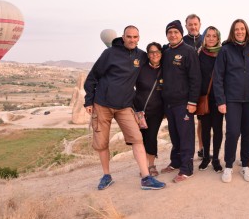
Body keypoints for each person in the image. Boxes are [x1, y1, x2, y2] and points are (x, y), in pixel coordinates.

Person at [83, 26, 166, 190]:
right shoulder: (109, 54)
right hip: (102, 104)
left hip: (125, 106)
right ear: (123, 37)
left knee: (137, 139)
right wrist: (88, 101)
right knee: (102, 142)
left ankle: (146, 178)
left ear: (139, 38)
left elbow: (155, 59)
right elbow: (93, 76)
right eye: (129, 37)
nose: (132, 40)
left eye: (135, 37)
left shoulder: (141, 55)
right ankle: (106, 176)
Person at [214, 19, 249, 183]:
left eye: (242, 29)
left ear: (246, 30)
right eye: (237, 29)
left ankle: (245, 166)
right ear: (232, 31)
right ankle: (228, 166)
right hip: (232, 100)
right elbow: (218, 77)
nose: (240, 31)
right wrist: (221, 101)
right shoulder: (225, 50)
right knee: (233, 132)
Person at [160, 20, 201, 183]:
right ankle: (176, 162)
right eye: (169, 32)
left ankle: (187, 169)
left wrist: (192, 102)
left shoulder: (189, 51)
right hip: (169, 103)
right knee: (174, 136)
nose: (173, 35)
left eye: (176, 32)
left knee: (186, 137)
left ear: (180, 33)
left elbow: (195, 78)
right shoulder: (166, 51)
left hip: (184, 103)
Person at [133, 42, 164, 177]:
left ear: (161, 53)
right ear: (148, 54)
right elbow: (130, 86)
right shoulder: (141, 69)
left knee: (151, 137)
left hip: (157, 111)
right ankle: (143, 166)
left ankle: (151, 165)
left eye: (157, 52)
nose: (154, 54)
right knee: (141, 139)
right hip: (140, 110)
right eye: (151, 52)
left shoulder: (165, 69)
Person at [197, 26, 224, 173]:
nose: (211, 38)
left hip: (219, 97)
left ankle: (216, 159)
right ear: (204, 38)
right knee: (205, 129)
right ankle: (206, 157)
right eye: (208, 36)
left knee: (218, 129)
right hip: (204, 97)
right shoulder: (200, 53)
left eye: (214, 36)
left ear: (218, 38)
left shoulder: (223, 53)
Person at [183, 14, 205, 159]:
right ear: (186, 26)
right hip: (186, 88)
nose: (193, 27)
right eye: (190, 24)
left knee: (202, 120)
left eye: (195, 24)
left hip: (204, 87)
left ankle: (202, 148)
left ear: (200, 24)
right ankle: (186, 152)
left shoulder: (207, 39)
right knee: (186, 121)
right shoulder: (182, 41)